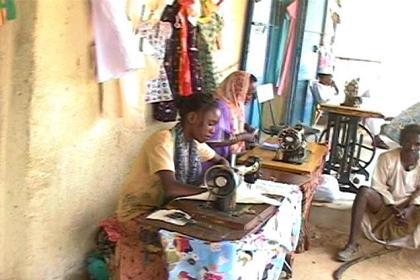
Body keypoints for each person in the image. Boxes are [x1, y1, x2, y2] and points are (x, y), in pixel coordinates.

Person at [114, 93, 229, 279]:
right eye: (210, 123)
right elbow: (172, 188)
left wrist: (228, 176)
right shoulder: (163, 140)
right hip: (138, 213)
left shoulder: (193, 143)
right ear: (192, 118)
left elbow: (220, 160)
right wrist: (214, 192)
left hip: (164, 208)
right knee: (198, 241)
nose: (213, 130)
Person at [336, 124, 420, 262]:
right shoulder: (387, 157)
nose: (412, 147)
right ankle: (351, 244)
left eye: (417, 144)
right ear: (401, 141)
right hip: (386, 204)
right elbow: (378, 185)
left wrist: (410, 208)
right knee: (364, 192)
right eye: (408, 142)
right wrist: (392, 206)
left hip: (411, 208)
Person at [205, 71, 259, 162]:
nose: (250, 98)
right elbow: (214, 140)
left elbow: (231, 123)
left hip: (229, 157)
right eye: (247, 93)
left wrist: (245, 126)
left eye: (252, 94)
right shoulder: (220, 107)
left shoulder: (236, 104)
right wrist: (244, 137)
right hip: (215, 160)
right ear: (236, 89)